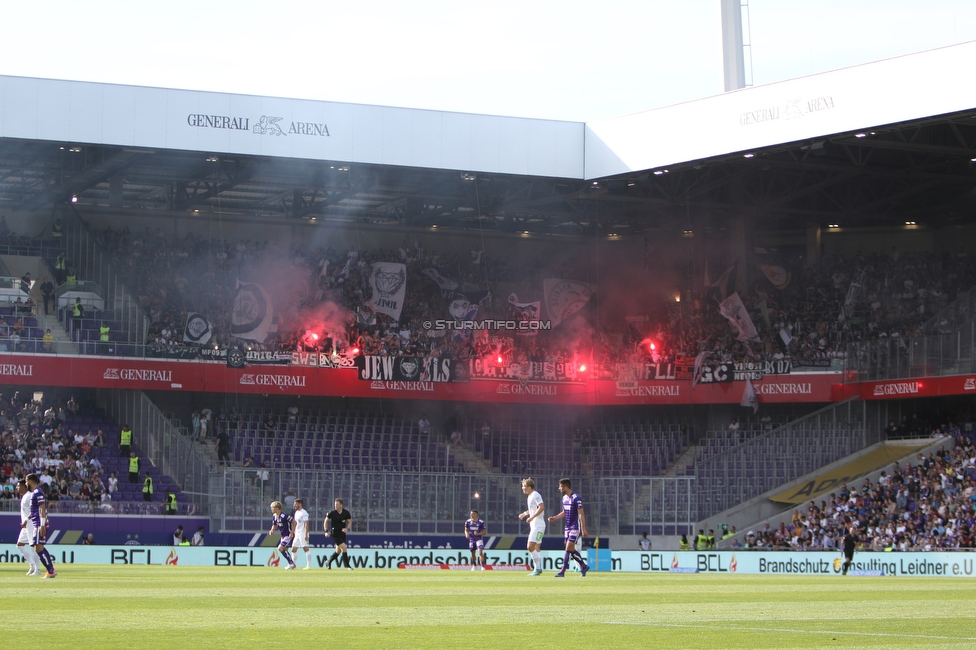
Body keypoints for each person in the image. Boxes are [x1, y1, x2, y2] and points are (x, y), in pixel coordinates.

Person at [547, 478, 589, 578]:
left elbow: (581, 514)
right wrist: (555, 518)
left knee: (568, 548)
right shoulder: (564, 498)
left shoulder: (576, 498)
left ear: (566, 487)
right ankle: (584, 566)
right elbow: (565, 512)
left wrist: (583, 529)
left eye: (560, 486)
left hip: (575, 526)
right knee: (570, 549)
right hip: (567, 527)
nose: (559, 488)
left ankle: (562, 571)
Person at [25, 474, 57, 578]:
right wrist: (26, 519)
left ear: (30, 481)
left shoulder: (38, 492)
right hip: (37, 523)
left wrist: (42, 525)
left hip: (39, 524)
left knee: (38, 548)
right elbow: (34, 510)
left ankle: (51, 570)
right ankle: (51, 569)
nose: (26, 484)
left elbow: (42, 508)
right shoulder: (34, 493)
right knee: (38, 547)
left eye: (26, 481)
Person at [518, 477, 546, 576]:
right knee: (536, 547)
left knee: (530, 546)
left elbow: (542, 507)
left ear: (529, 487)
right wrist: (525, 513)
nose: (523, 488)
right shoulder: (530, 496)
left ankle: (537, 568)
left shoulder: (535, 494)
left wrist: (532, 517)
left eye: (524, 486)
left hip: (538, 525)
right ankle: (538, 568)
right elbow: (533, 509)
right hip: (535, 525)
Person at [15, 479, 40, 576]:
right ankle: (32, 565)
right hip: (25, 526)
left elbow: (34, 510)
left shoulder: (29, 496)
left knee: (33, 547)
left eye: (18, 486)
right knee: (19, 544)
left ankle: (37, 570)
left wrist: (26, 520)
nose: (17, 488)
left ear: (24, 486)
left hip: (30, 525)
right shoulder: (24, 497)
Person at [324, 498, 353, 570]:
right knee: (344, 548)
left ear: (341, 505)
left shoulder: (346, 513)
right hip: (335, 533)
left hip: (342, 533)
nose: (335, 505)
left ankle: (328, 562)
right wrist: (326, 531)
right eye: (335, 504)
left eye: (337, 504)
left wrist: (347, 528)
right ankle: (348, 566)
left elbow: (350, 522)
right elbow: (326, 521)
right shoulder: (332, 513)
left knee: (338, 551)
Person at [269, 500, 297, 570]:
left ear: (277, 508)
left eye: (272, 507)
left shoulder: (284, 516)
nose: (271, 509)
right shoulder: (275, 516)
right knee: (285, 550)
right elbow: (275, 524)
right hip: (283, 536)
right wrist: (272, 530)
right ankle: (291, 564)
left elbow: (294, 522)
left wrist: (292, 532)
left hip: (288, 535)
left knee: (280, 548)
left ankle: (291, 563)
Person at [291, 498, 313, 570]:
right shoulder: (296, 512)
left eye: (296, 504)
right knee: (293, 549)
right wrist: (294, 531)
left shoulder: (304, 513)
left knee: (305, 548)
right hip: (297, 533)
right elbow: (296, 523)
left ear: (300, 504)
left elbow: (306, 523)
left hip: (303, 533)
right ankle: (293, 565)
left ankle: (308, 565)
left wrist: (305, 534)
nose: (294, 505)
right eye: (294, 504)